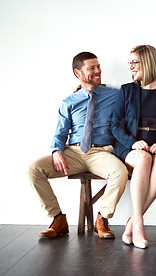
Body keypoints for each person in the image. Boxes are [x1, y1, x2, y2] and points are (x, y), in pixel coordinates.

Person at [28, 52, 129, 239]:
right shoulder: (70, 101)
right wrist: (56, 150)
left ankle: (102, 219)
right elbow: (60, 131)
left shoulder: (115, 94)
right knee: (34, 169)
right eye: (92, 68)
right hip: (73, 153)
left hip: (101, 152)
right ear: (78, 73)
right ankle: (58, 219)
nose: (98, 71)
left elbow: (138, 90)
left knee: (119, 172)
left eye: (98, 67)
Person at [111, 45, 156, 249]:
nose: (131, 67)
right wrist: (133, 143)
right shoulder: (127, 90)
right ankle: (139, 223)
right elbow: (115, 126)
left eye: (135, 62)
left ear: (148, 63)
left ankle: (132, 220)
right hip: (129, 147)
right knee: (143, 158)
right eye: (130, 63)